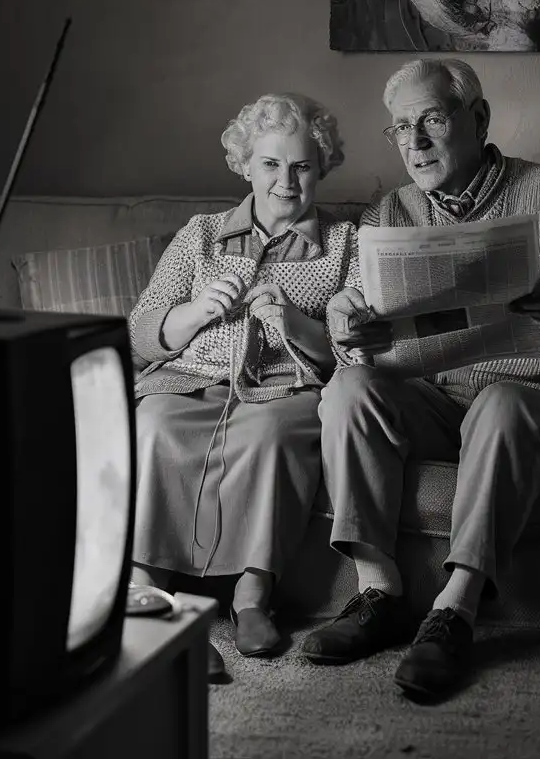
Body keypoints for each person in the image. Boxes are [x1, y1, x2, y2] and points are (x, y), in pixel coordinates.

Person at [301, 58, 540, 699]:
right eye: (401, 128)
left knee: (502, 403)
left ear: (478, 118)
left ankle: (453, 611)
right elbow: (354, 336)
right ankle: (378, 592)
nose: (415, 142)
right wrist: (349, 333)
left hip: (539, 400)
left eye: (431, 118)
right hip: (433, 397)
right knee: (346, 390)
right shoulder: (387, 216)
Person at [128, 92, 357, 679]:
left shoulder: (348, 243)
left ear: (322, 167)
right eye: (271, 165)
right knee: (151, 423)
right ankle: (148, 591)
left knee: (274, 434)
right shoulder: (201, 234)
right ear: (245, 166)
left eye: (302, 165)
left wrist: (296, 323)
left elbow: (355, 353)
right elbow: (142, 330)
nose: (286, 180)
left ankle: (252, 596)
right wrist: (195, 313)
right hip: (189, 380)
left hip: (283, 388)